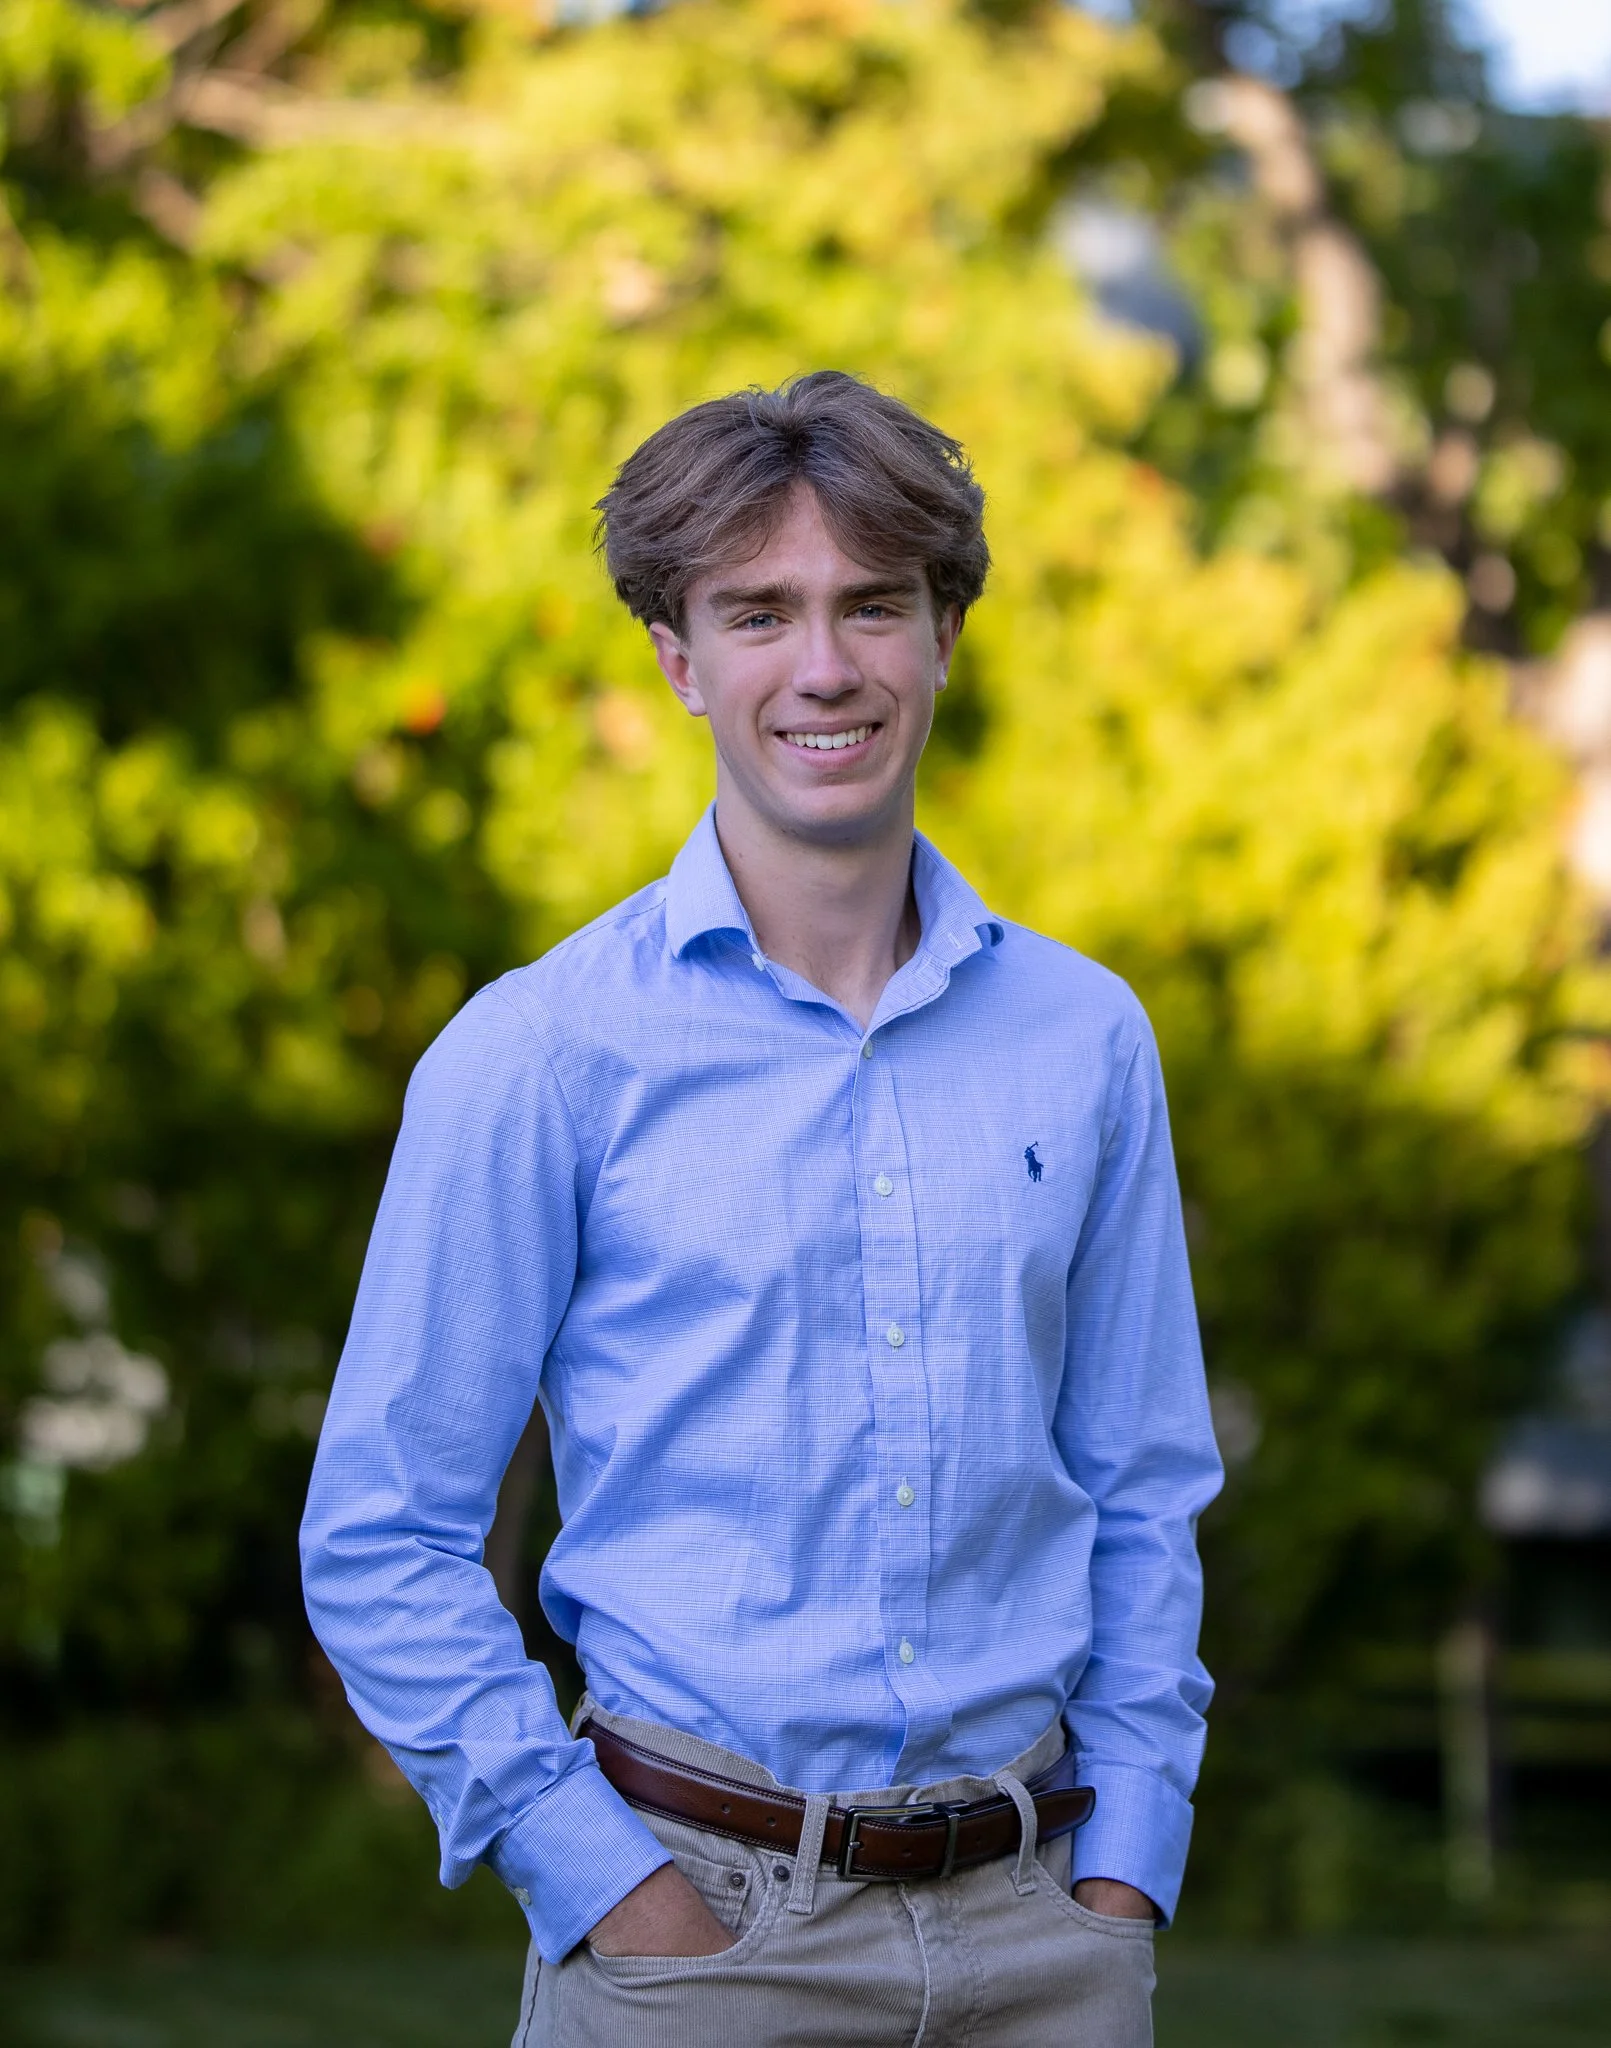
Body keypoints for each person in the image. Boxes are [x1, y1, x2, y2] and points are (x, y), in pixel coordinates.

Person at [301, 371, 1223, 2046]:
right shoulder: (542, 1055)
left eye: (874, 604)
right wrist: (607, 1889)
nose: (823, 667)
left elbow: (1140, 1487)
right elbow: (383, 1538)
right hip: (697, 1940)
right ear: (678, 657)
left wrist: (1126, 1870)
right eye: (759, 612)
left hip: (1047, 1935)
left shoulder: (1084, 1038)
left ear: (942, 632)